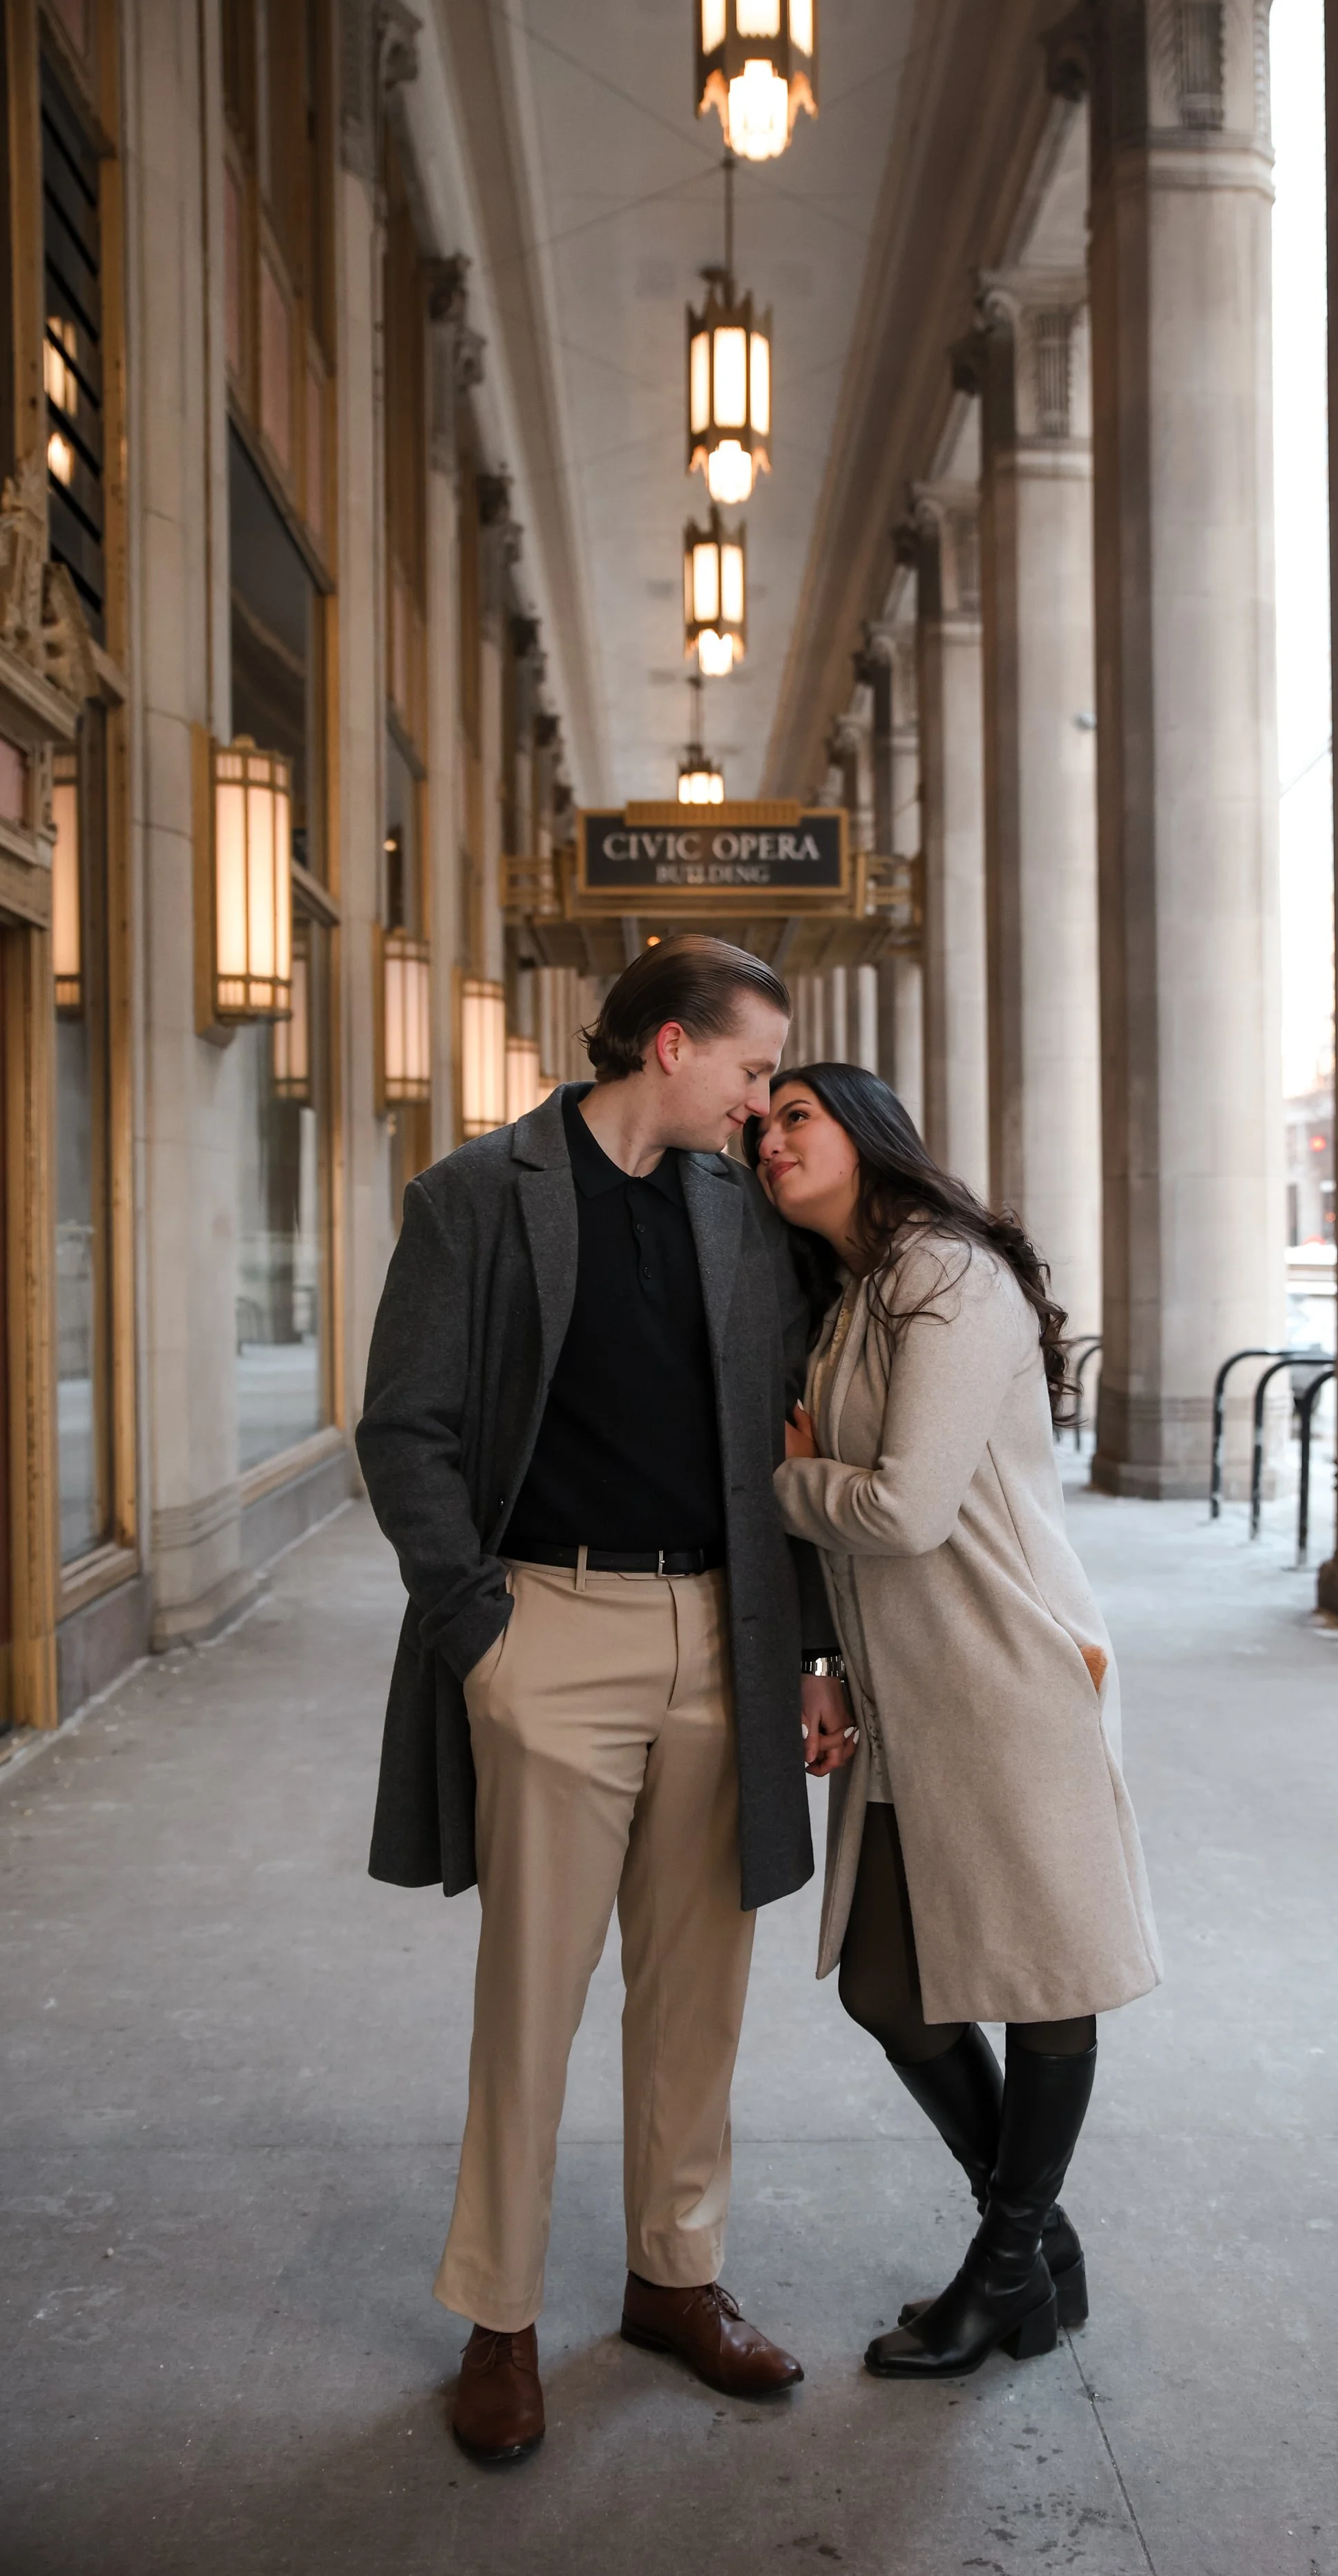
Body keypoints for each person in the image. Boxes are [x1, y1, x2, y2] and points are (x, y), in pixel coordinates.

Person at [356, 939, 854, 2467]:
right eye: (751, 1067)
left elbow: (792, 1435)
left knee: (698, 1993)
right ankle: (496, 2316)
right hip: (546, 1629)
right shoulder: (474, 1195)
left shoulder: (739, 1213)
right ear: (665, 1047)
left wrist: (814, 1649)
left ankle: (671, 2278)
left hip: (725, 1630)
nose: (763, 1104)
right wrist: (478, 1633)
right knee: (534, 1996)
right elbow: (405, 1431)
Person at [749, 1061, 1160, 2380]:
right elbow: (860, 1509)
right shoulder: (857, 1298)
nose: (769, 1138)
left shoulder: (949, 1276)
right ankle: (1041, 2246)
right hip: (896, 1689)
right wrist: (822, 1647)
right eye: (759, 1122)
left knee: (1043, 1977)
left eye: (795, 1114)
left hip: (1002, 1671)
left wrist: (784, 1482)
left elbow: (902, 1510)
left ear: (869, 1134)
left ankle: (1002, 2268)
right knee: (887, 1984)